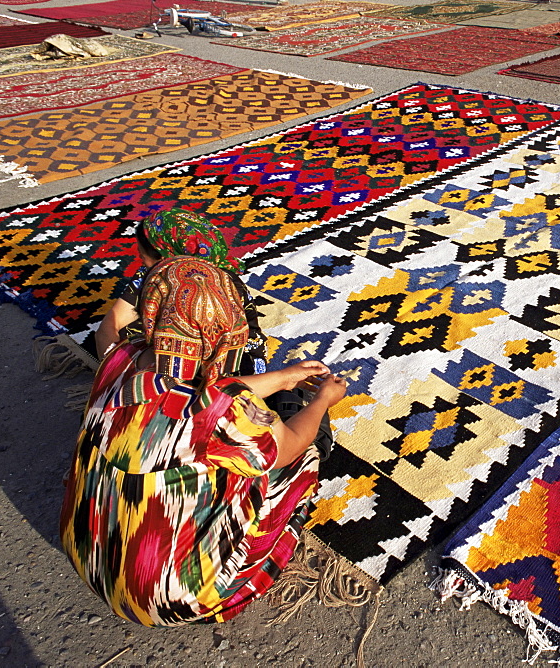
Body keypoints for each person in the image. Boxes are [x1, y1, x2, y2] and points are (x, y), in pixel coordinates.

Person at [59, 256, 347, 626]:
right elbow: (287, 443)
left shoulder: (119, 360)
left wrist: (283, 377)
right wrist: (323, 400)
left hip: (84, 551)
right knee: (302, 457)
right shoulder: (219, 412)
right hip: (163, 599)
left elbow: (194, 387)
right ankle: (221, 587)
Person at [95, 208, 267, 377]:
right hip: (213, 368)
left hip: (226, 369)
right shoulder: (156, 273)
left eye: (142, 256)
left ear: (163, 256)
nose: (144, 263)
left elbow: (200, 356)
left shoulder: (214, 286)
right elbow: (110, 327)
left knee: (138, 337)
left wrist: (115, 377)